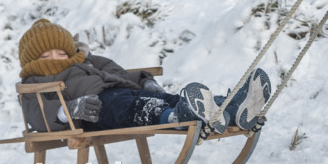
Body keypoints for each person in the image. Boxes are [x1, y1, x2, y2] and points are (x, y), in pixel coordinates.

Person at [17, 18, 271, 134]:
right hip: (94, 110)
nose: (54, 59)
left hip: (126, 92)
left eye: (60, 52)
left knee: (168, 98)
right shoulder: (34, 83)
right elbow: (37, 116)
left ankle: (230, 107)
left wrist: (146, 80)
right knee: (135, 107)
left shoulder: (91, 61)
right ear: (31, 62)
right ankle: (178, 118)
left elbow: (119, 73)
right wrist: (70, 109)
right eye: (45, 56)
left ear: (70, 50)